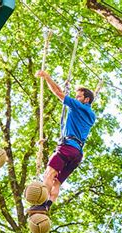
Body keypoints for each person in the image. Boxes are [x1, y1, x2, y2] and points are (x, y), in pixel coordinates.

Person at [27, 70, 96, 215]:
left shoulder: (79, 107)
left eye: (79, 97)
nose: (76, 99)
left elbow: (58, 92)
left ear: (86, 99)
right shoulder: (91, 115)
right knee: (57, 182)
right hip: (77, 153)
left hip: (67, 147)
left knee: (49, 174)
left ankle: (40, 204)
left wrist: (46, 77)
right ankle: (47, 206)